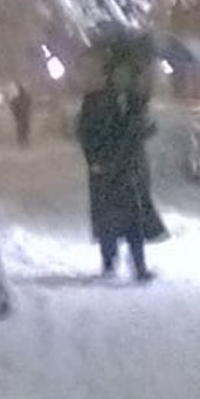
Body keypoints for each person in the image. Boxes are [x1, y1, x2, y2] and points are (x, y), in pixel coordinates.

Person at [76, 41, 167, 282]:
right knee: (108, 218)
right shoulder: (95, 100)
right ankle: (109, 264)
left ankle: (139, 266)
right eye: (119, 73)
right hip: (106, 168)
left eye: (127, 74)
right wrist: (94, 160)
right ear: (111, 74)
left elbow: (139, 131)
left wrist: (148, 130)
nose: (123, 78)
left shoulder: (137, 101)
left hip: (132, 170)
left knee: (134, 219)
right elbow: (85, 132)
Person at [8, 82, 33, 149]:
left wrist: (16, 112)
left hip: (22, 116)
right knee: (23, 129)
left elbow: (12, 106)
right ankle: (23, 143)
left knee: (22, 129)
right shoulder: (21, 98)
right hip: (22, 116)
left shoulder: (17, 99)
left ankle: (23, 143)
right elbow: (13, 106)